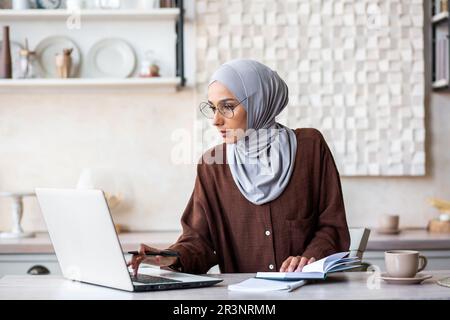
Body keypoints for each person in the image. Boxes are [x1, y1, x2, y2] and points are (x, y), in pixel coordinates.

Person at [128, 59, 350, 276]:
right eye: (213, 108)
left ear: (259, 102)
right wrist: (170, 257)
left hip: (306, 294)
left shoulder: (310, 147)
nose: (216, 120)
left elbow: (332, 226)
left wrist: (309, 258)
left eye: (227, 107)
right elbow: (200, 242)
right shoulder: (212, 166)